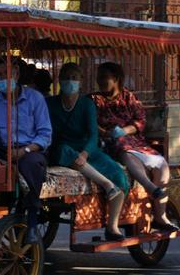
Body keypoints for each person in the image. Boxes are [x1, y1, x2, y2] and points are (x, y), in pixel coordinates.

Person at [92, 62, 179, 232]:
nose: (100, 81)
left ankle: (161, 216)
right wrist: (106, 133)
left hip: (135, 142)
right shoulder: (94, 100)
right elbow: (91, 123)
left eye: (105, 77)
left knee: (161, 165)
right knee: (126, 151)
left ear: (116, 79)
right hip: (110, 143)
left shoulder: (129, 98)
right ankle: (150, 187)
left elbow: (140, 121)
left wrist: (124, 130)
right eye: (99, 78)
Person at [46, 63, 129, 241]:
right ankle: (107, 185)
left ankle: (112, 226)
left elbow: (93, 134)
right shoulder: (51, 103)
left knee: (118, 174)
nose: (70, 81)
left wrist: (85, 153)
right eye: (66, 77)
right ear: (59, 80)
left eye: (74, 78)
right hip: (61, 150)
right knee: (64, 151)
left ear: (81, 81)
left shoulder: (86, 104)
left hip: (87, 149)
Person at [0, 56, 52, 243]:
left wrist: (25, 150)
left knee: (30, 165)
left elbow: (45, 135)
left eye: (7, 73)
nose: (3, 78)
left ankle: (33, 221)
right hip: (2, 149)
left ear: (17, 73)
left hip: (31, 151)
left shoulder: (35, 99)